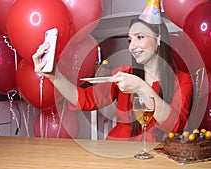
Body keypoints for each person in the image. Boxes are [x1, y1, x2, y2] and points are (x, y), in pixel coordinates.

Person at [32, 17, 193, 142]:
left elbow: (175, 127)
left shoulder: (182, 81)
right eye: (130, 40)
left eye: (140, 37)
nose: (132, 46)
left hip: (159, 156)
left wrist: (141, 87)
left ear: (158, 39)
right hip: (119, 148)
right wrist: (54, 75)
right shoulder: (124, 72)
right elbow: (85, 99)